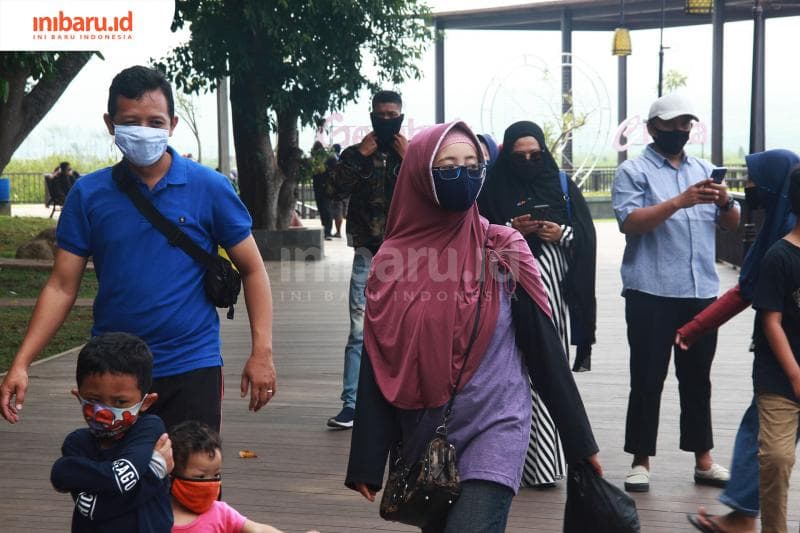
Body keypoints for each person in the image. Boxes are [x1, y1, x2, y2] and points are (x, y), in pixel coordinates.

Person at [345, 121, 601, 532]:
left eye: (472, 164)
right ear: (420, 178)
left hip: (498, 421)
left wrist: (579, 441)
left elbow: (543, 346)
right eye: (447, 166)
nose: (462, 174)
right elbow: (381, 355)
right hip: (426, 432)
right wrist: (367, 457)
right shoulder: (390, 261)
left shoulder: (503, 247)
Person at [0, 65, 277, 432]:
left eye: (155, 121)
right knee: (114, 484)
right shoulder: (88, 195)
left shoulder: (209, 188)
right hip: (112, 377)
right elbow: (62, 285)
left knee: (192, 484)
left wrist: (262, 352)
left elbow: (253, 269)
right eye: (131, 121)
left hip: (191, 364)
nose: (144, 131)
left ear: (173, 124)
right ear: (110, 123)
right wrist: (22, 362)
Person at [612, 92, 740, 493]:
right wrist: (679, 202)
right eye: (671, 125)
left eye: (686, 124)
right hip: (650, 289)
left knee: (698, 379)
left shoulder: (704, 168)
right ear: (653, 129)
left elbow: (733, 224)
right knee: (647, 377)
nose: (679, 131)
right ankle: (640, 460)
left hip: (700, 290)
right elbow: (630, 222)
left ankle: (703, 459)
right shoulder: (633, 171)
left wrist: (724, 203)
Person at [676, 150, 800, 533]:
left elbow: (744, 291)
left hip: (783, 361)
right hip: (782, 364)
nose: (748, 186)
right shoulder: (781, 238)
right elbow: (757, 299)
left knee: (761, 439)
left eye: (752, 178)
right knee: (765, 441)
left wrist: (697, 325)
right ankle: (745, 515)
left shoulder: (783, 229)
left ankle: (743, 515)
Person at [478, 121, 597, 488]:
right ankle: (499, 459)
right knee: (508, 369)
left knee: (548, 365)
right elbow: (476, 236)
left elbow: (586, 237)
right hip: (504, 291)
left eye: (535, 155)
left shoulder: (560, 184)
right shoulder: (492, 187)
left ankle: (543, 466)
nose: (528, 162)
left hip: (553, 294)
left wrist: (561, 233)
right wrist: (511, 228)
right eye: (519, 157)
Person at [325, 90, 407, 428]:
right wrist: (359, 155)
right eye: (381, 114)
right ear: (372, 114)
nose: (387, 120)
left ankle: (402, 400)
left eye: (393, 114)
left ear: (401, 116)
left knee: (407, 328)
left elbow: (431, 191)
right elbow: (332, 190)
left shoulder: (413, 154)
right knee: (359, 331)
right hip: (367, 254)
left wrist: (411, 156)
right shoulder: (354, 154)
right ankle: (352, 404)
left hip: (408, 255)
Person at [50, 332, 173, 532]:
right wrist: (154, 471)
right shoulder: (76, 443)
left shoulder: (149, 428)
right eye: (93, 399)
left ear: (146, 402)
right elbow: (91, 508)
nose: (104, 412)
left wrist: (67, 469)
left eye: (120, 402)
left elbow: (116, 485)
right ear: (79, 396)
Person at [748, 167, 800, 533]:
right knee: (777, 458)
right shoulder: (779, 256)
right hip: (781, 379)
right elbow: (771, 322)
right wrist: (796, 375)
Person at [169, 420, 286, 533]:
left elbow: (258, 530)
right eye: (200, 477)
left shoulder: (220, 513)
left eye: (216, 475)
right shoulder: (157, 515)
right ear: (171, 474)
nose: (210, 483)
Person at [311, 141, 334, 240]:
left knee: (325, 210)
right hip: (323, 189)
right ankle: (326, 231)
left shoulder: (327, 160)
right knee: (325, 210)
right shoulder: (316, 161)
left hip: (322, 190)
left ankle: (327, 231)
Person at [328, 144, 346, 238]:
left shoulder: (333, 158)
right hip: (343, 189)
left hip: (336, 190)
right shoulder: (342, 158)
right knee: (340, 211)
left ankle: (338, 232)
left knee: (337, 211)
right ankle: (338, 231)